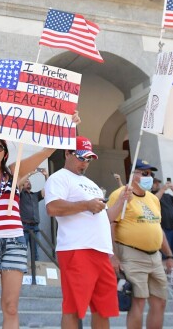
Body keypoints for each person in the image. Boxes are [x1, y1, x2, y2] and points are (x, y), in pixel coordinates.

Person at [0, 90, 78, 329]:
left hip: (14, 241)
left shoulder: (14, 171)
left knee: (11, 307)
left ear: (5, 150)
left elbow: (46, 152)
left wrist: (69, 126)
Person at [45, 136, 131, 329]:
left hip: (101, 251)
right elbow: (52, 208)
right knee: (73, 308)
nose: (84, 163)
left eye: (88, 159)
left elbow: (105, 217)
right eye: (81, 157)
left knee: (103, 309)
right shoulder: (58, 178)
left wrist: (122, 201)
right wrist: (86, 204)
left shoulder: (91, 183)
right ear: (67, 153)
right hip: (77, 249)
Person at [108, 159, 173, 329]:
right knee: (137, 302)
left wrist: (168, 255)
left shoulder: (153, 199)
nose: (149, 177)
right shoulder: (120, 194)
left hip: (155, 256)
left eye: (150, 174)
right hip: (132, 254)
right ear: (133, 174)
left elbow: (157, 227)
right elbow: (110, 224)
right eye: (144, 173)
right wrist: (113, 255)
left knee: (160, 301)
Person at [152, 176, 173, 265]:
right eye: (155, 182)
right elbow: (153, 201)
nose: (157, 184)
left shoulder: (168, 196)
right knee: (165, 253)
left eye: (158, 182)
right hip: (163, 229)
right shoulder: (150, 195)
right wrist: (162, 190)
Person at [19, 168, 48, 262]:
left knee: (36, 254)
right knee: (22, 253)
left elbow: (48, 190)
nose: (28, 182)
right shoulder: (19, 194)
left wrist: (46, 176)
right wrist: (30, 173)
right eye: (26, 181)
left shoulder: (35, 195)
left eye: (29, 181)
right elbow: (18, 184)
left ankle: (36, 274)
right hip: (24, 227)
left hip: (35, 228)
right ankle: (23, 275)